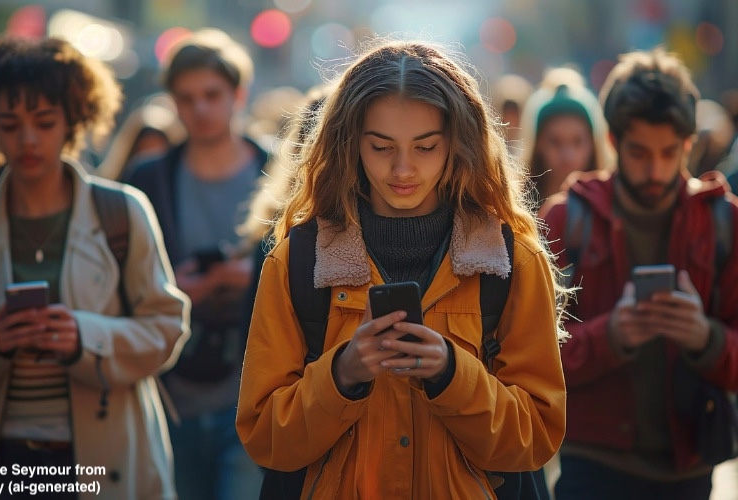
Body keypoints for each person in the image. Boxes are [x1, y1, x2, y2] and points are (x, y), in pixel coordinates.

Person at [236, 40, 568, 499]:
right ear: (350, 142)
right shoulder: (297, 260)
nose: (403, 168)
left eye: (426, 146)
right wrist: (343, 373)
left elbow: (535, 440)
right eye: (381, 146)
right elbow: (265, 439)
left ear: (458, 143)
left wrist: (453, 374)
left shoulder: (511, 262)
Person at [0, 35, 190, 499]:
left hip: (99, 460)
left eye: (45, 121)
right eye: (10, 123)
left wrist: (86, 335)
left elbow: (166, 328)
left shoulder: (123, 212)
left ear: (74, 120)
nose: (28, 139)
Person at [542, 47, 738, 500]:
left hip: (688, 468)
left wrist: (703, 338)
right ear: (612, 141)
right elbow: (529, 359)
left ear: (689, 144)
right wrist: (611, 336)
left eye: (670, 152)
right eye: (639, 153)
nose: (655, 169)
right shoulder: (564, 220)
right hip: (590, 463)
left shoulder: (723, 224)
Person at [122, 28, 268, 500]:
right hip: (172, 392)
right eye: (186, 98)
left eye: (211, 95)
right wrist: (177, 290)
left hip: (255, 391)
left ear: (237, 95)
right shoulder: (149, 179)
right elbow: (124, 282)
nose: (200, 109)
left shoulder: (278, 169)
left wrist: (251, 281)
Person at [518, 67, 614, 207]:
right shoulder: (516, 208)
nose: (567, 155)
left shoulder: (611, 207)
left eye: (577, 142)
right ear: (538, 143)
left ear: (593, 143)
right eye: (555, 142)